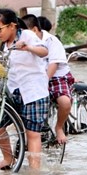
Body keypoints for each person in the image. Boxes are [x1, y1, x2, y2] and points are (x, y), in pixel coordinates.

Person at [0, 8, 49, 170]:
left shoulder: (27, 35)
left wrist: (28, 48)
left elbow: (44, 51)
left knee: (32, 133)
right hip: (13, 90)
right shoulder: (4, 44)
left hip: (33, 90)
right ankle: (8, 159)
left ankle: (34, 172)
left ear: (12, 26)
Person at [22, 14, 73, 144]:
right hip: (35, 76)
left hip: (56, 76)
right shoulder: (24, 42)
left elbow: (53, 64)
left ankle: (59, 127)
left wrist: (43, 82)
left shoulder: (51, 40)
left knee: (65, 102)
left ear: (34, 30)